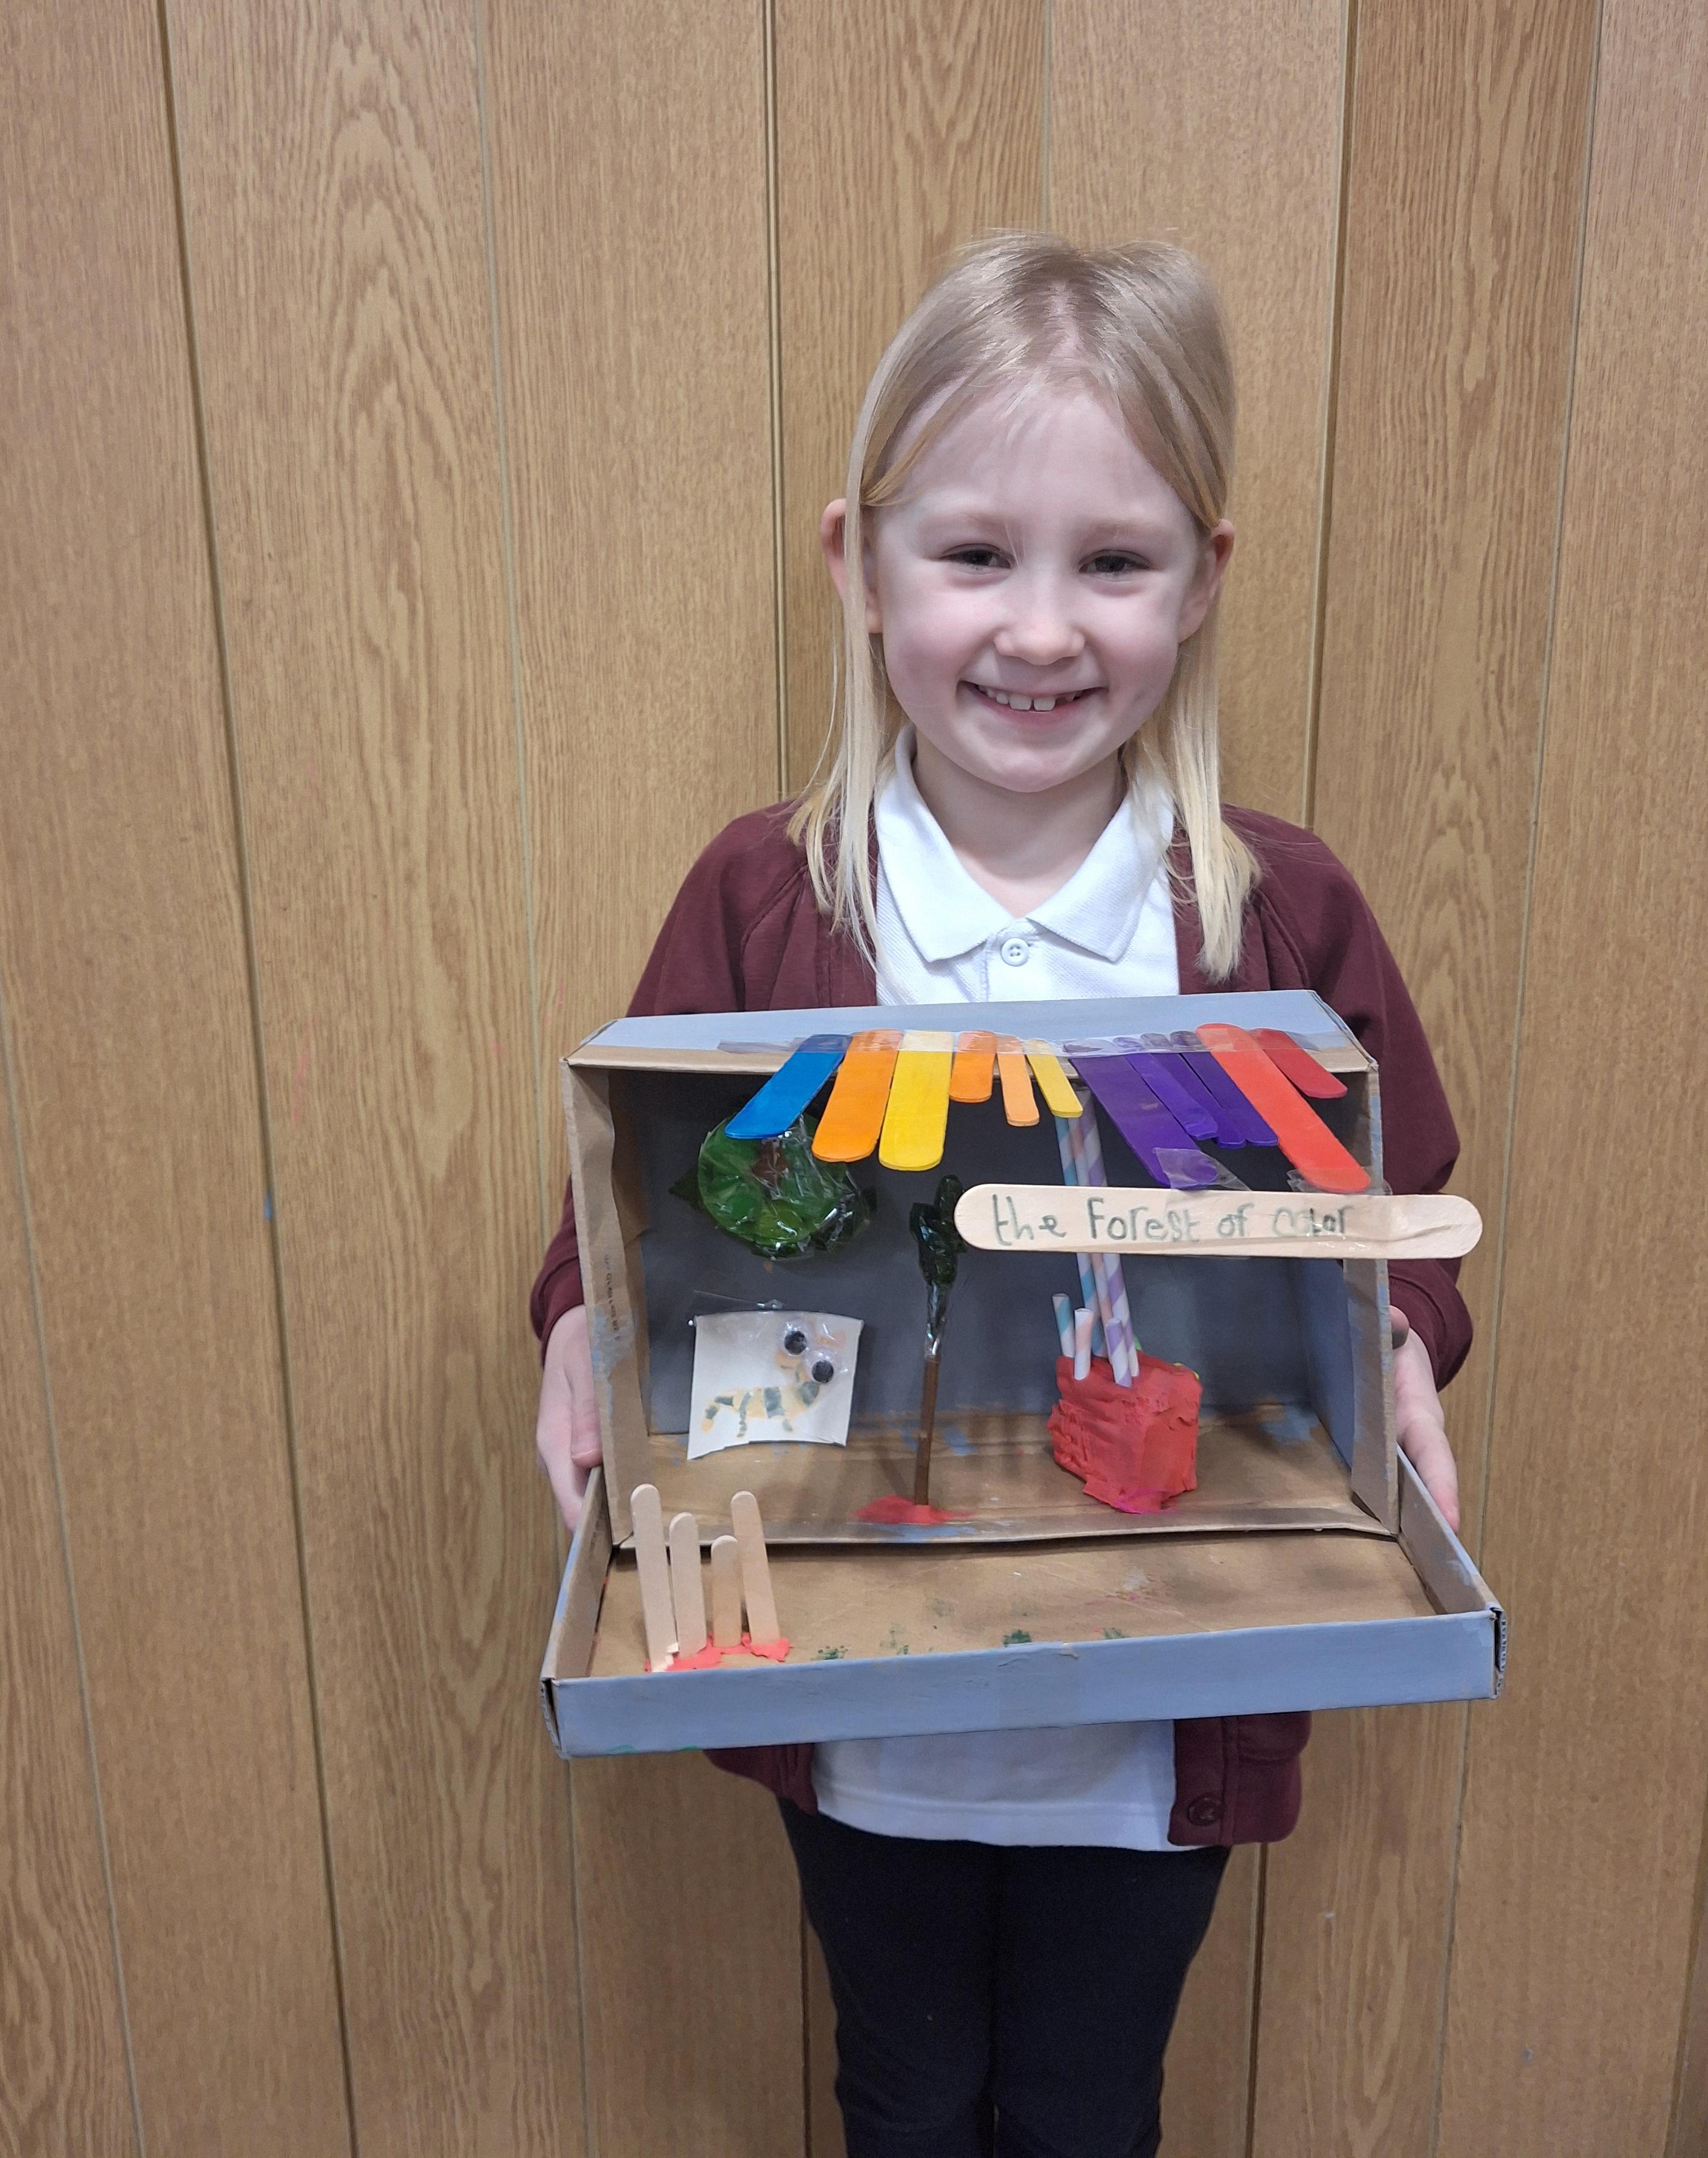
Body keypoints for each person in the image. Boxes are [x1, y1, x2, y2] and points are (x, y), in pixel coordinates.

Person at [532, 234, 1469, 2158]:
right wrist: (572, 1332)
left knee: (1082, 2104)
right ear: (859, 566)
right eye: (974, 554)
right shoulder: (772, 902)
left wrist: (1392, 1338)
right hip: (856, 1689)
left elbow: (1391, 1213)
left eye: (1110, 562)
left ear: (1199, 582)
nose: (1039, 631)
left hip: (1162, 1696)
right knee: (901, 2089)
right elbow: (641, 1204)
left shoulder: (1265, 917)